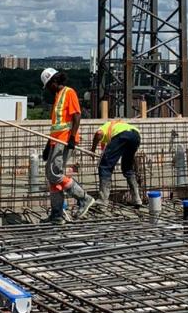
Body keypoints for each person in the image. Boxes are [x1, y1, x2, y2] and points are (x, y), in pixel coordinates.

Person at [40, 68, 95, 224]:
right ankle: (57, 215)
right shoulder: (58, 96)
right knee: (52, 178)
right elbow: (56, 125)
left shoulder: (69, 92)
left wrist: (72, 137)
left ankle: (84, 198)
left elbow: (77, 115)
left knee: (55, 174)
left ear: (53, 81)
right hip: (55, 140)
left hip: (64, 140)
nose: (48, 89)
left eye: (48, 85)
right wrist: (47, 146)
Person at [91, 117, 142, 207]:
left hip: (122, 136)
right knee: (127, 168)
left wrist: (93, 150)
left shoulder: (107, 125)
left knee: (104, 166)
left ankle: (103, 200)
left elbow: (98, 134)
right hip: (136, 136)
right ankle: (137, 199)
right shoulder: (122, 125)